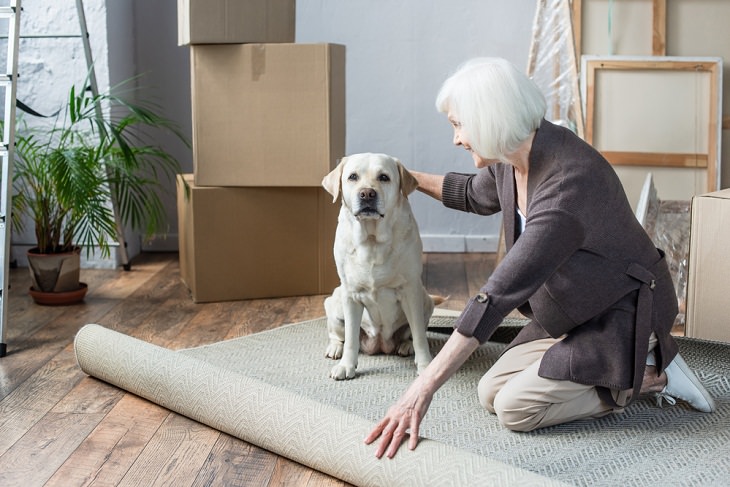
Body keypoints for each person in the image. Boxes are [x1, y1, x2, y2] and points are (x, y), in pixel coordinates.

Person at [363, 57, 716, 459]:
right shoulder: (514, 157)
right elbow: (473, 195)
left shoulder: (568, 185)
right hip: (575, 308)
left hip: (625, 312)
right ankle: (618, 369)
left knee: (516, 410)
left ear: (490, 120)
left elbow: (496, 297)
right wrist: (402, 174)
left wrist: (417, 393)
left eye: (459, 125)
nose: (456, 139)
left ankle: (652, 375)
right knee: (490, 392)